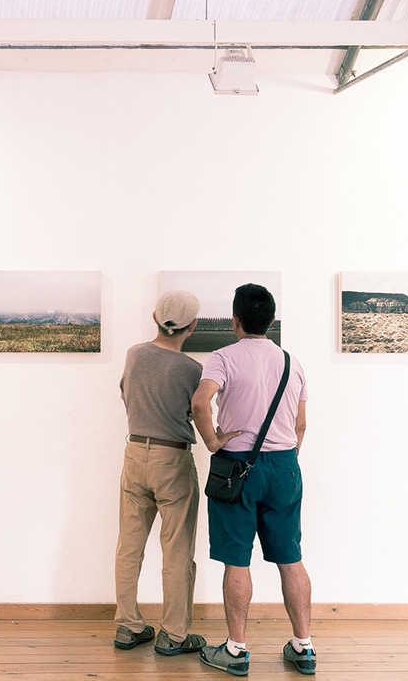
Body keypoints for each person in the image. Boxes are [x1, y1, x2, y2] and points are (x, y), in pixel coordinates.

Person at [191, 283, 316, 676]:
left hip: (236, 466)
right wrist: (285, 455)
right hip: (284, 466)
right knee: (291, 559)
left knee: (237, 560)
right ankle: (304, 647)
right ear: (272, 320)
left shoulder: (223, 357)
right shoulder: (290, 362)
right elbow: (301, 423)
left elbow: (199, 401)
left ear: (235, 319)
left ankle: (236, 650)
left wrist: (212, 441)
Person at [114, 290, 208, 656]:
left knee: (129, 547)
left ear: (155, 316)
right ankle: (174, 634)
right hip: (173, 460)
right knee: (177, 550)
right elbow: (195, 412)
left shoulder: (134, 354)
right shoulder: (192, 369)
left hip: (135, 453)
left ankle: (127, 626)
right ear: (194, 326)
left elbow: (126, 394)